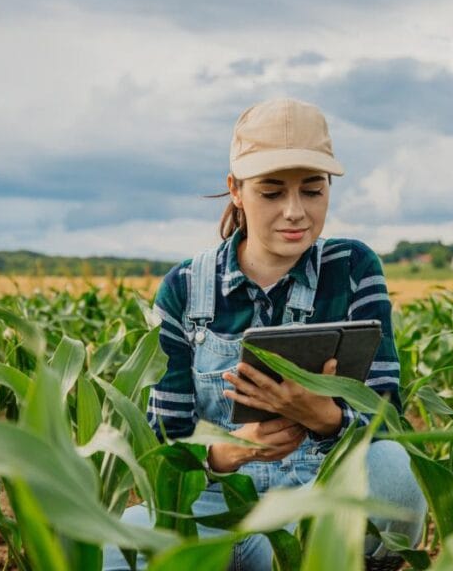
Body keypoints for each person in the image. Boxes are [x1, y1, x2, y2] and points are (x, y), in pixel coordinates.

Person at [103, 98, 427, 571]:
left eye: (312, 191)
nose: (295, 212)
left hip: (315, 510)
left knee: (395, 474)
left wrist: (326, 418)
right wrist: (226, 451)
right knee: (120, 543)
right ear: (235, 190)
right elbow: (160, 446)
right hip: (214, 513)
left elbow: (387, 419)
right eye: (272, 193)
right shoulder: (185, 287)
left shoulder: (353, 268)